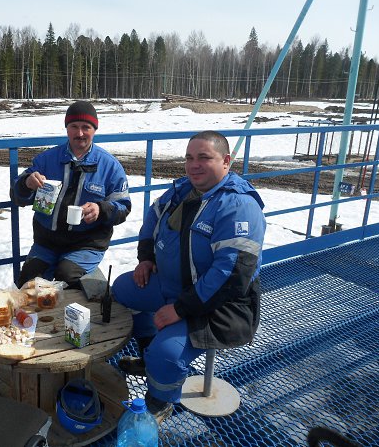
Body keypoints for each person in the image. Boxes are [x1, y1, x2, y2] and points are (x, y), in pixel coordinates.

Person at [112, 130, 266, 422]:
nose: (194, 165)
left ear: (226, 161)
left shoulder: (238, 205)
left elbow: (231, 275)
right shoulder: (183, 190)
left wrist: (180, 309)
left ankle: (161, 400)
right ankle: (148, 358)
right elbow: (153, 217)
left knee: (167, 354)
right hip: (173, 284)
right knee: (122, 290)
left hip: (216, 305)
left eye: (204, 158)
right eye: (189, 158)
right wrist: (146, 258)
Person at [10, 101, 131, 289]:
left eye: (86, 127)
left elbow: (123, 208)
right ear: (67, 128)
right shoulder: (47, 159)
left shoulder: (110, 166)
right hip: (46, 242)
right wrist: (27, 184)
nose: (80, 133)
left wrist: (101, 209)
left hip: (86, 244)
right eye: (74, 126)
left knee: (66, 276)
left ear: (94, 130)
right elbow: (16, 195)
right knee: (28, 282)